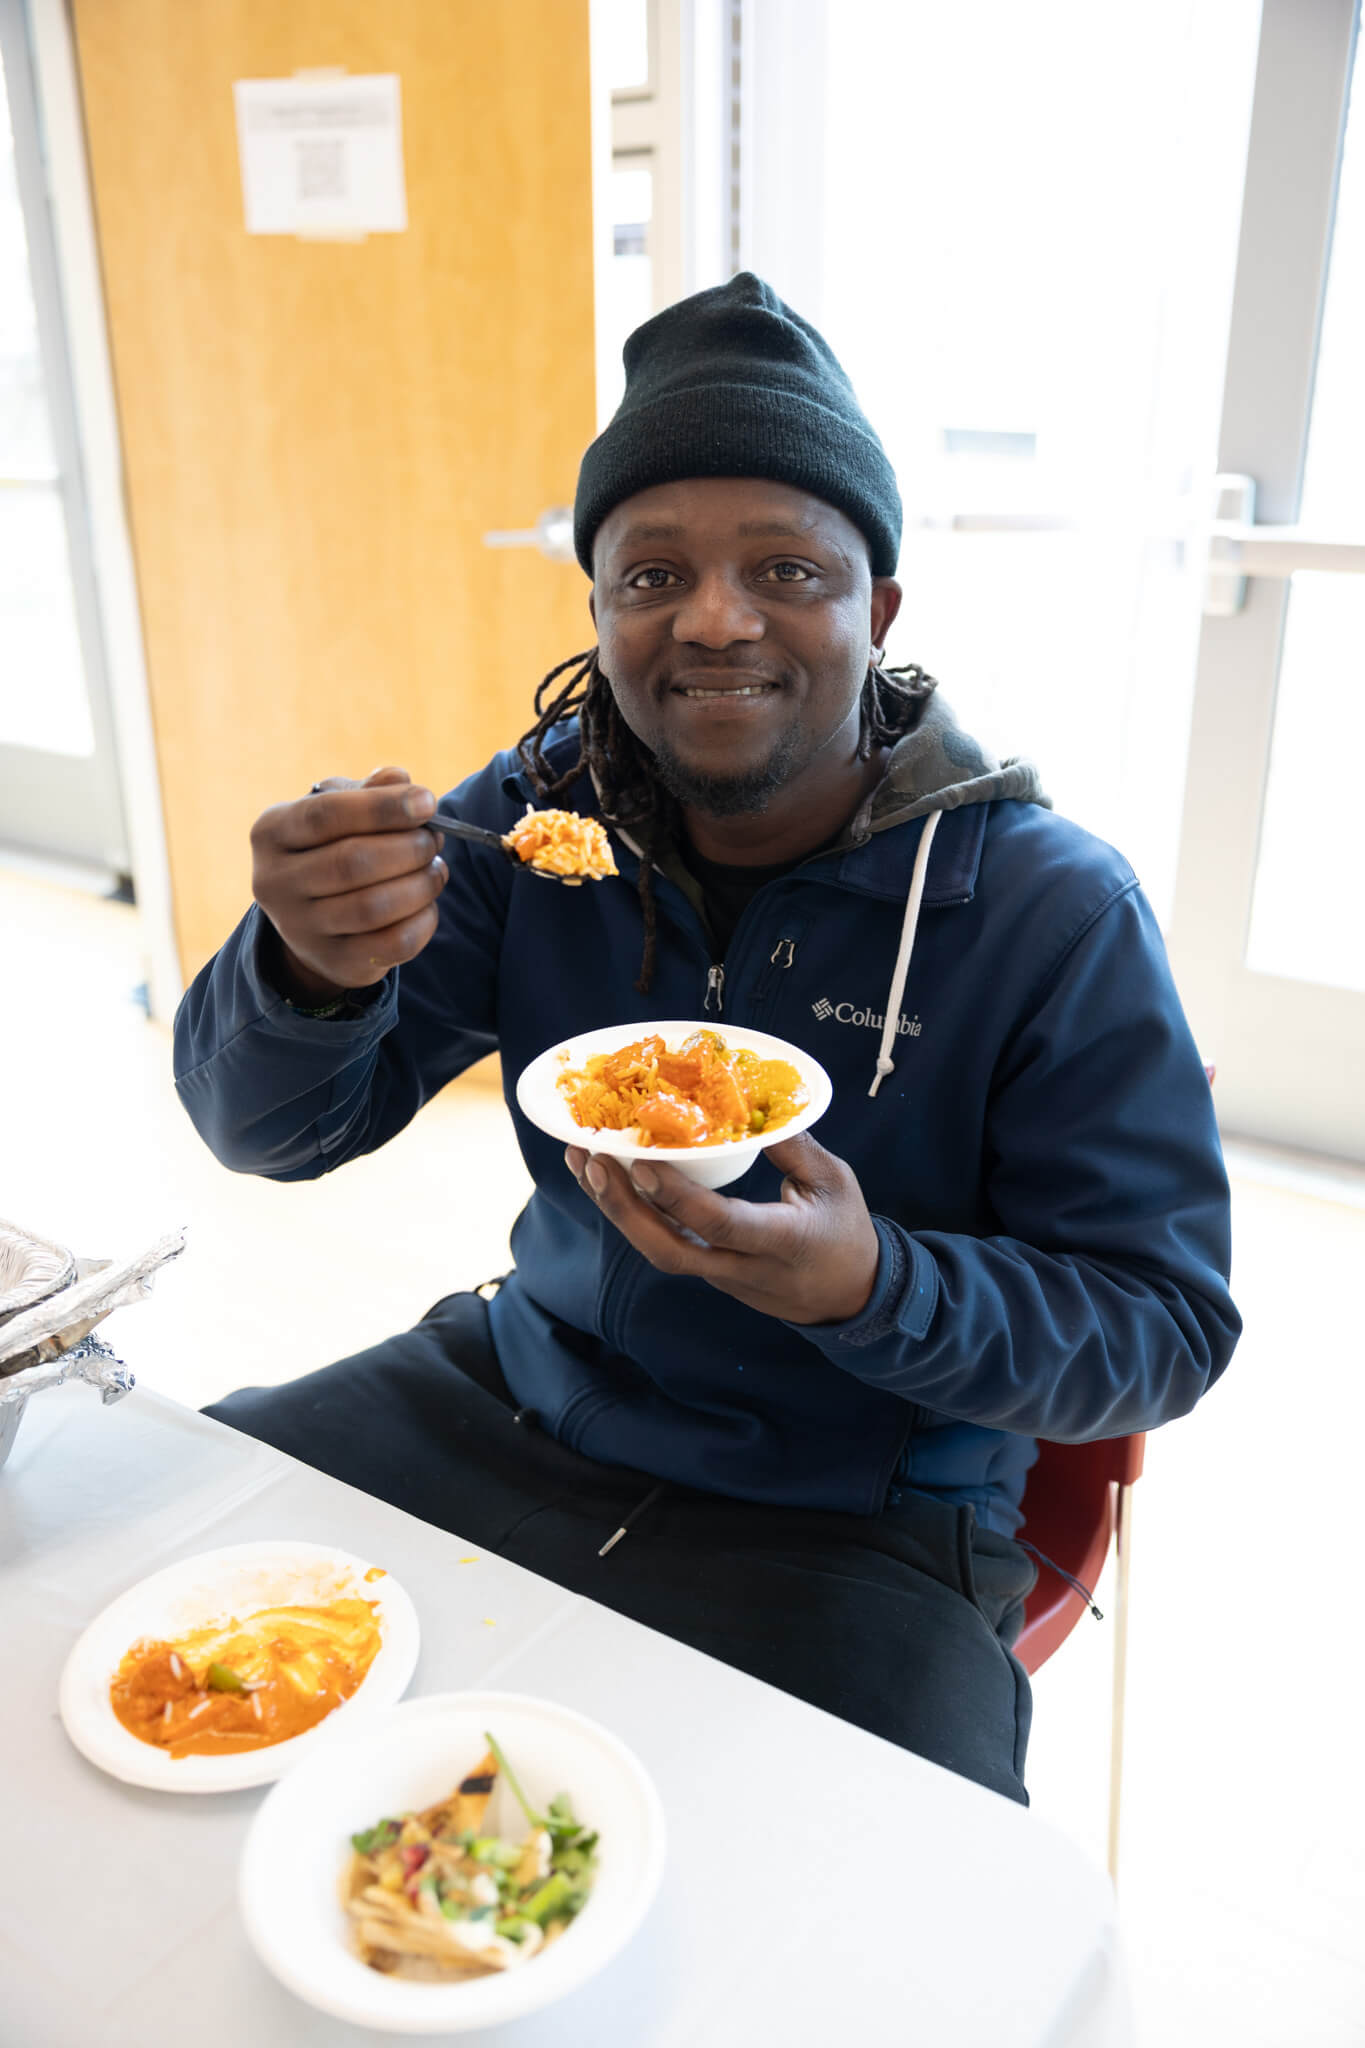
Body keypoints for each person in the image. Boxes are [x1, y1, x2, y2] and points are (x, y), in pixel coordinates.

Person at [175, 274, 1239, 1805]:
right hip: (514, 1392)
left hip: (866, 1505)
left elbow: (1160, 1328)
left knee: (873, 1926)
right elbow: (265, 1134)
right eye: (650, 572)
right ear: (600, 614)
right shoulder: (534, 822)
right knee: (164, 1562)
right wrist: (303, 970)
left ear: (873, 612)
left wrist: (874, 1286)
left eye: (786, 569)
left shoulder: (1044, 909)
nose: (716, 618)